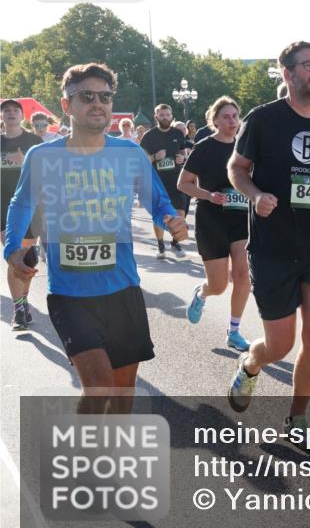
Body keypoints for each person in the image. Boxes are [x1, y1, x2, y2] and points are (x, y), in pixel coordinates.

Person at [3, 63, 187, 413]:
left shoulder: (129, 153)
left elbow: (155, 197)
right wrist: (13, 249)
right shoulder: (42, 156)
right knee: (99, 387)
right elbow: (21, 203)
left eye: (105, 96)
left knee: (121, 393)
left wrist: (170, 218)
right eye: (86, 96)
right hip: (71, 295)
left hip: (123, 289)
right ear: (66, 104)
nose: (97, 103)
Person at [226, 41, 310, 450]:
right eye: (307, 65)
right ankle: (251, 363)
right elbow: (236, 168)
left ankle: (298, 415)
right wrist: (254, 195)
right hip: (273, 247)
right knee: (280, 345)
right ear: (287, 73)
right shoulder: (263, 119)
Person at [177, 96, 253, 351]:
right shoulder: (204, 147)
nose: (232, 121)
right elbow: (183, 183)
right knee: (219, 285)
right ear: (215, 121)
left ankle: (234, 332)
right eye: (226, 117)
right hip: (211, 220)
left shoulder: (245, 148)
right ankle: (202, 293)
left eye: (235, 116)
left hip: (241, 219)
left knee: (244, 277)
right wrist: (209, 195)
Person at [2, 99, 43, 329]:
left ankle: (23, 301)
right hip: (2, 208)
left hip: (31, 207)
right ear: (2, 116)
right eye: (6, 110)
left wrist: (25, 162)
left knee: (27, 259)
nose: (11, 113)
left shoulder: (34, 142)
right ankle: (18, 308)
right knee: (14, 256)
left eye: (15, 110)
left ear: (22, 115)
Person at [139, 104, 190, 259]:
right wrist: (155, 157)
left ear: (171, 116)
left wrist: (182, 157)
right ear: (156, 117)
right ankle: (161, 245)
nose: (165, 117)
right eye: (162, 115)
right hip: (157, 182)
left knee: (180, 213)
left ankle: (175, 242)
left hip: (176, 180)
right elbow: (141, 160)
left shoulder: (178, 133)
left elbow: (183, 151)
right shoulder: (149, 136)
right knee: (160, 215)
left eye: (167, 115)